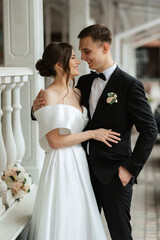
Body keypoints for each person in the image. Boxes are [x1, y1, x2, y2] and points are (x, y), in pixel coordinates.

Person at [32, 25, 158, 240]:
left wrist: (130, 169)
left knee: (119, 232)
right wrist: (35, 109)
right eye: (79, 52)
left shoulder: (129, 85)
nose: (82, 57)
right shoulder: (84, 82)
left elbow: (149, 130)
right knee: (81, 229)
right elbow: (61, 113)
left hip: (114, 175)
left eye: (87, 51)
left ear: (105, 48)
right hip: (80, 172)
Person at [28, 42, 121, 240]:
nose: (78, 60)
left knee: (80, 212)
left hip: (80, 162)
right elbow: (54, 141)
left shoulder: (79, 93)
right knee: (63, 212)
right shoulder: (48, 95)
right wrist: (92, 134)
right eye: (72, 57)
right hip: (60, 162)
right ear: (59, 65)